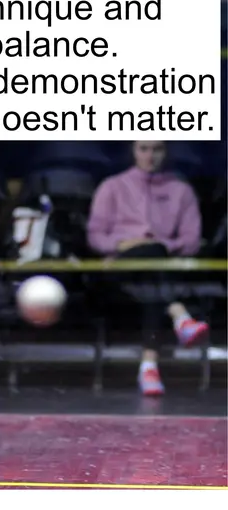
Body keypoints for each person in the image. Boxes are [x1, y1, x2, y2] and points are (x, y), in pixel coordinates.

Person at [86, 140, 209, 396]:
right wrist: (124, 244)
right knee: (151, 263)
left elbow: (191, 241)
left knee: (152, 278)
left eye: (157, 149)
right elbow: (95, 237)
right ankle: (178, 315)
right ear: (133, 150)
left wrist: (158, 244)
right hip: (120, 271)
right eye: (144, 148)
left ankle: (149, 366)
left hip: (158, 270)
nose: (150, 156)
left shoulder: (182, 191)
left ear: (166, 151)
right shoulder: (112, 186)